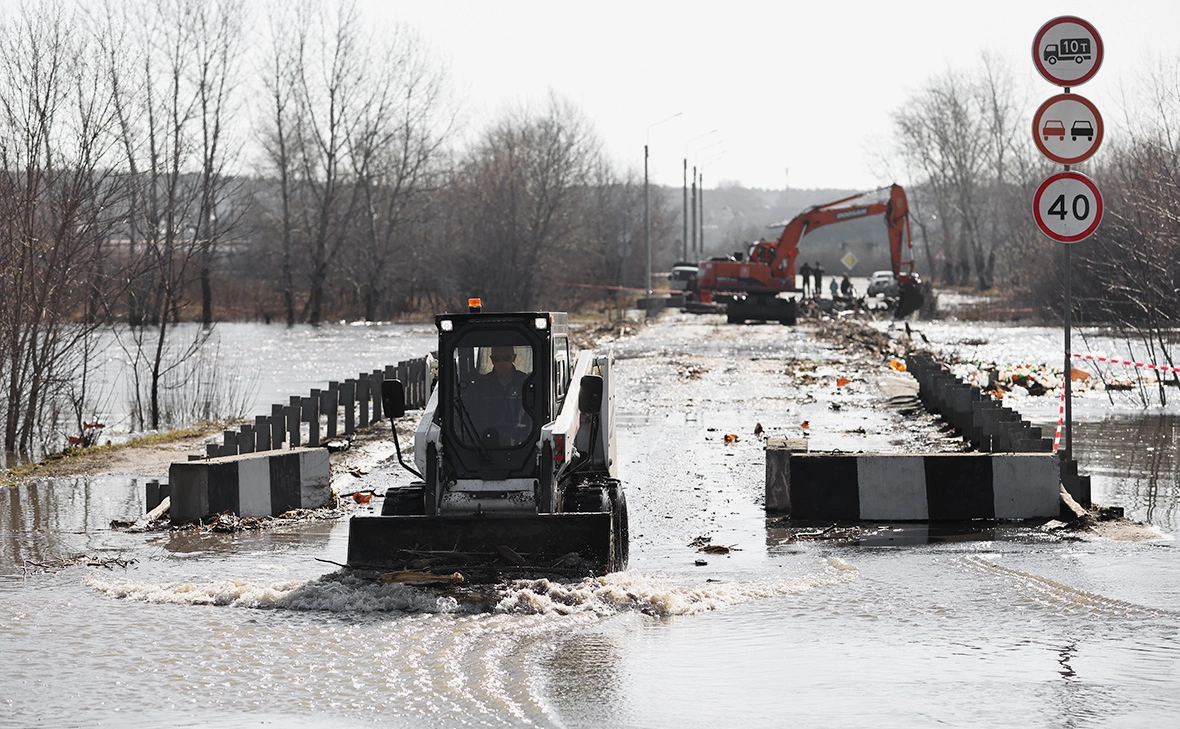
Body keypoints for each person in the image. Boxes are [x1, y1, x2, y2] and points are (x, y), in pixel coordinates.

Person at [469, 346, 531, 445]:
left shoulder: (526, 383)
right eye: (496, 359)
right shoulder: (481, 385)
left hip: (522, 442)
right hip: (487, 442)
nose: (501, 362)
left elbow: (531, 418)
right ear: (491, 360)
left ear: (514, 358)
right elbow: (475, 417)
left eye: (506, 358)